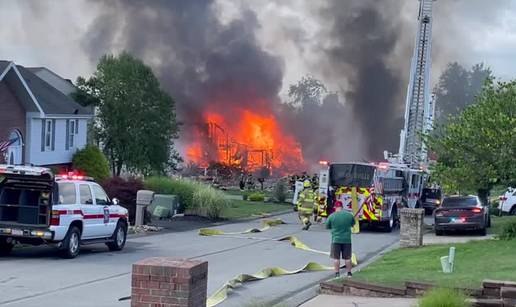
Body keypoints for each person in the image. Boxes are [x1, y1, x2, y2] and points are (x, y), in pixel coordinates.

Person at [326, 200, 355, 278]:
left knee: (336, 258)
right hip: (347, 240)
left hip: (336, 240)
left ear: (335, 207)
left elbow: (327, 226)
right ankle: (349, 273)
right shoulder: (349, 215)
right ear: (342, 207)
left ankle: (337, 274)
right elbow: (353, 224)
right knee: (348, 258)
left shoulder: (332, 216)